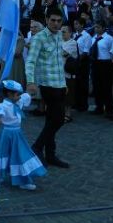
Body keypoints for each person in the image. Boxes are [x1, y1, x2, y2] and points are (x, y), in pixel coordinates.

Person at [26, 9, 70, 168]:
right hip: (47, 84)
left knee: (51, 120)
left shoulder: (59, 35)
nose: (56, 24)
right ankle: (37, 147)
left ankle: (50, 155)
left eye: (59, 21)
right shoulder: (39, 38)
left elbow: (59, 62)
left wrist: (64, 84)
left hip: (59, 84)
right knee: (59, 119)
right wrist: (30, 81)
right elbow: (30, 61)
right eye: (53, 20)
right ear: (46, 19)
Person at [0, 80, 47, 189]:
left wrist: (31, 91)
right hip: (6, 134)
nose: (20, 96)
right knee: (1, 153)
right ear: (10, 94)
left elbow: (26, 96)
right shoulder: (3, 106)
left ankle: (22, 180)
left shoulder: (18, 101)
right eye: (17, 94)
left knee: (20, 154)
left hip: (17, 134)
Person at [88, 21, 113, 117]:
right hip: (95, 63)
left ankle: (109, 109)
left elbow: (112, 51)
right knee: (97, 86)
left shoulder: (108, 38)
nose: (96, 29)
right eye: (95, 27)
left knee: (106, 87)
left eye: (98, 27)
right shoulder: (94, 38)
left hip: (105, 63)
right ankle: (99, 107)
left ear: (103, 28)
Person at [60, 25, 78, 123]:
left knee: (69, 94)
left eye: (64, 31)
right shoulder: (60, 42)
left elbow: (65, 53)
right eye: (61, 31)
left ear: (70, 33)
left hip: (68, 73)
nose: (61, 33)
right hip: (59, 72)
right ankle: (61, 112)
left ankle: (68, 114)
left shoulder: (73, 43)